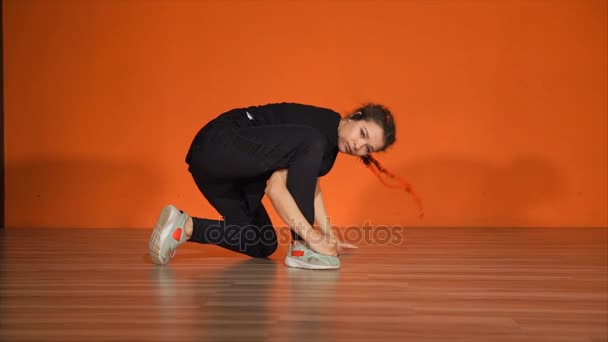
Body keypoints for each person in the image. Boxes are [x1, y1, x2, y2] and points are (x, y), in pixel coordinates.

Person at [148, 102, 411, 270]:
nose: (358, 146)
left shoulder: (323, 150)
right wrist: (310, 239)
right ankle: (300, 249)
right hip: (221, 143)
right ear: (354, 117)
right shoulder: (319, 130)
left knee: (261, 243)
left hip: (227, 173)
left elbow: (309, 186)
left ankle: (184, 226)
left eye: (367, 149)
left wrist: (330, 235)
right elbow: (277, 189)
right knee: (311, 142)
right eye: (362, 134)